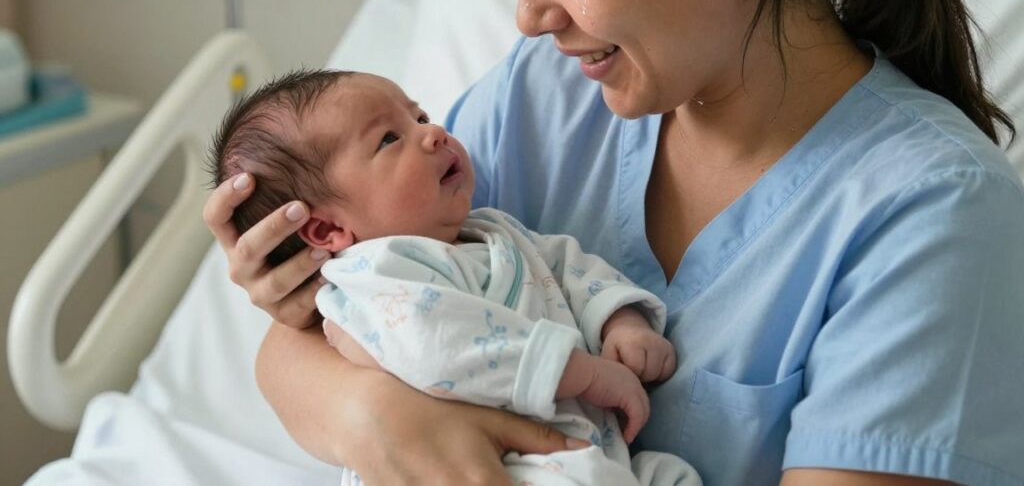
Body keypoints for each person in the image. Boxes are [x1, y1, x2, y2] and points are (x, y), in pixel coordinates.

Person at [203, 0, 1024, 484]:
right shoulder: (546, 97)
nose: (529, 13)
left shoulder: (934, 214)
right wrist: (369, 410)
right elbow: (313, 335)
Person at [209, 68, 702, 485]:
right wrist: (585, 374)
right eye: (389, 139)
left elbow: (567, 268)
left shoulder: (492, 231)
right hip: (488, 464)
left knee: (669, 474)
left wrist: (620, 321)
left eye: (420, 117)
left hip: (581, 451)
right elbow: (440, 344)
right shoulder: (374, 275)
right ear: (327, 230)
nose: (434, 133)